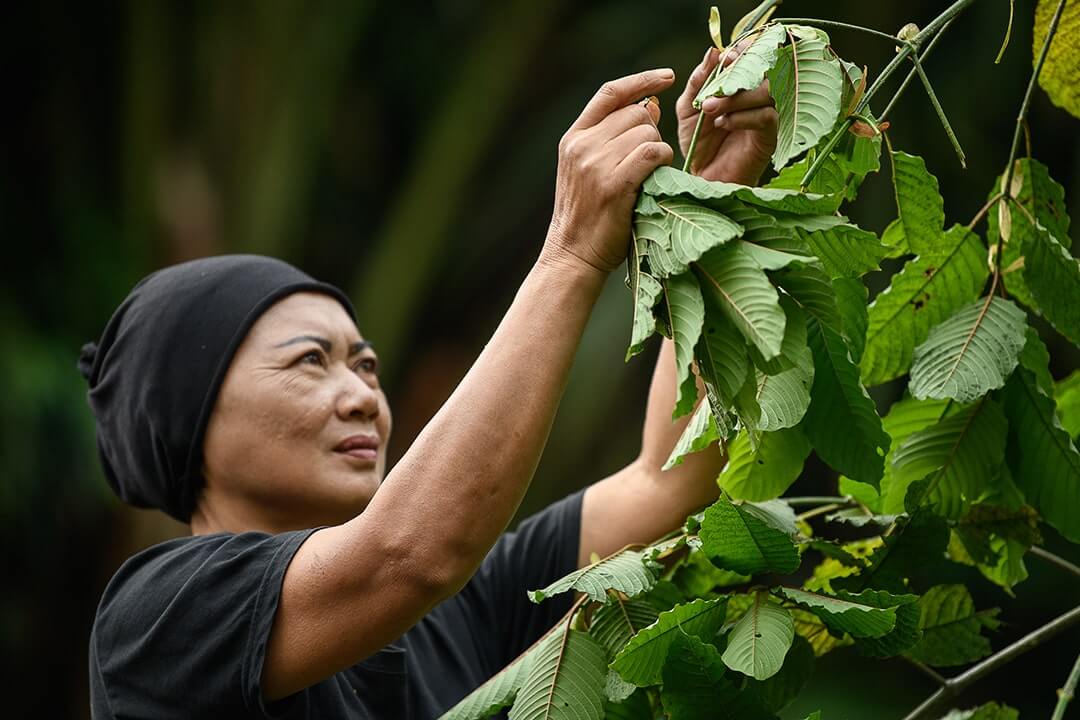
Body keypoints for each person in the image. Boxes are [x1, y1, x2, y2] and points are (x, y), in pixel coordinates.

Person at [82, 47, 777, 719]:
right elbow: (409, 552)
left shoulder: (467, 604)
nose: (361, 397)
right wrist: (569, 253)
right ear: (191, 418)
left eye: (365, 366)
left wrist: (713, 202)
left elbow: (669, 479)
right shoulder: (156, 618)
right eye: (308, 362)